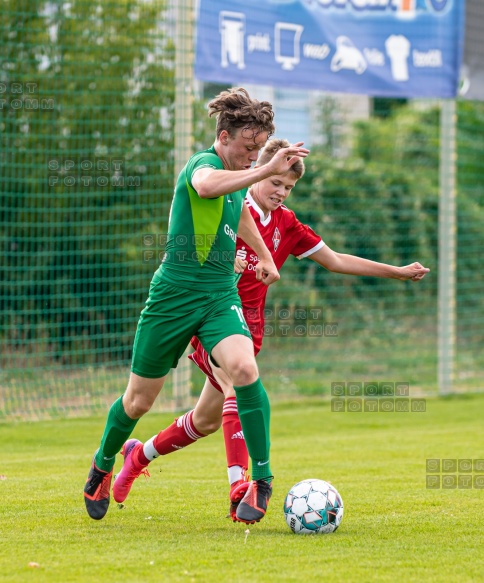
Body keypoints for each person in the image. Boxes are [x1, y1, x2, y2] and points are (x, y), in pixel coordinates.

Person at [111, 139, 430, 522]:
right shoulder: (230, 204)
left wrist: (396, 271)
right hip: (210, 317)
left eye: (288, 188)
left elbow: (335, 260)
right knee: (235, 384)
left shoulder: (287, 224)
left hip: (249, 330)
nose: (280, 192)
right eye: (275, 182)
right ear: (258, 170)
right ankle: (240, 487)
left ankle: (137, 456)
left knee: (206, 421)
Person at [83, 88, 310, 523]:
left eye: (257, 150)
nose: (251, 158)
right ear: (223, 137)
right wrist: (263, 168)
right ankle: (103, 463)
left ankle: (260, 480)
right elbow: (209, 188)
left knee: (243, 370)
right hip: (173, 296)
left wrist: (263, 255)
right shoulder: (204, 166)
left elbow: (239, 212)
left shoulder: (237, 176)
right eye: (247, 149)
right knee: (138, 402)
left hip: (218, 295)